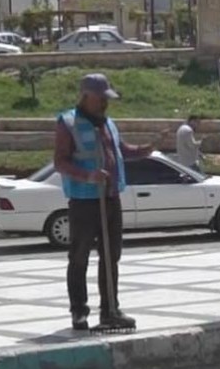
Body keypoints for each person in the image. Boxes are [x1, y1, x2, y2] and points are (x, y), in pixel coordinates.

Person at [52, 73, 153, 330]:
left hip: (109, 198)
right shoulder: (68, 123)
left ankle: (110, 310)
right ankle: (79, 311)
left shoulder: (108, 123)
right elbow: (60, 162)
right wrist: (88, 176)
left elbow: (123, 150)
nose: (105, 103)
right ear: (86, 97)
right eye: (101, 99)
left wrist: (146, 149)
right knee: (79, 257)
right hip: (84, 200)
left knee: (111, 256)